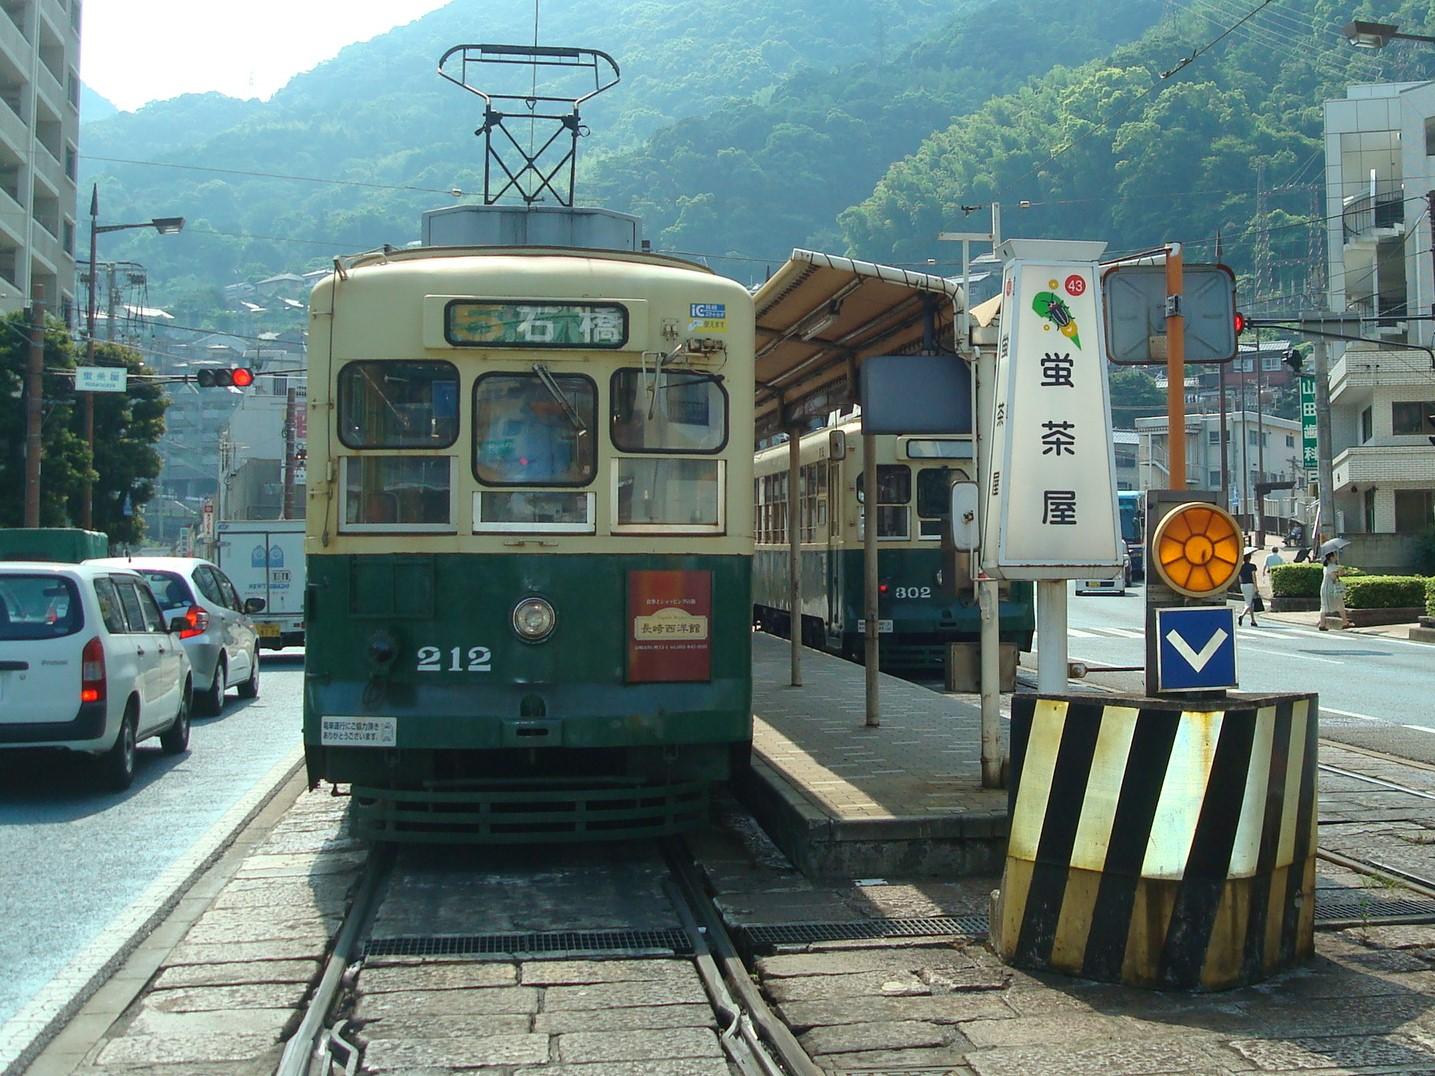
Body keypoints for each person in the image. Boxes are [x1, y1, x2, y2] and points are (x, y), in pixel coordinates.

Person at [1318, 551, 1353, 631]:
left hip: (1325, 589)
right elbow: (1333, 578)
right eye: (1335, 556)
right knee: (1340, 604)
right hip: (1331, 589)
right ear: (1331, 557)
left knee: (1324, 606)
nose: (1336, 557)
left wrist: (1339, 571)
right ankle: (1344, 622)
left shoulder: (1326, 566)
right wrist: (1339, 573)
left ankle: (1322, 624)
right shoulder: (1332, 566)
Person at [1237, 550, 1260, 627]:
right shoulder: (1252, 566)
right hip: (1250, 585)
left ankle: (1253, 620)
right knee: (1249, 603)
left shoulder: (1240, 567)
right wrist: (1256, 587)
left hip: (1243, 585)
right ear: (1249, 558)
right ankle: (1242, 615)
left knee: (1250, 602)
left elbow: (1239, 577)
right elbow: (1254, 576)